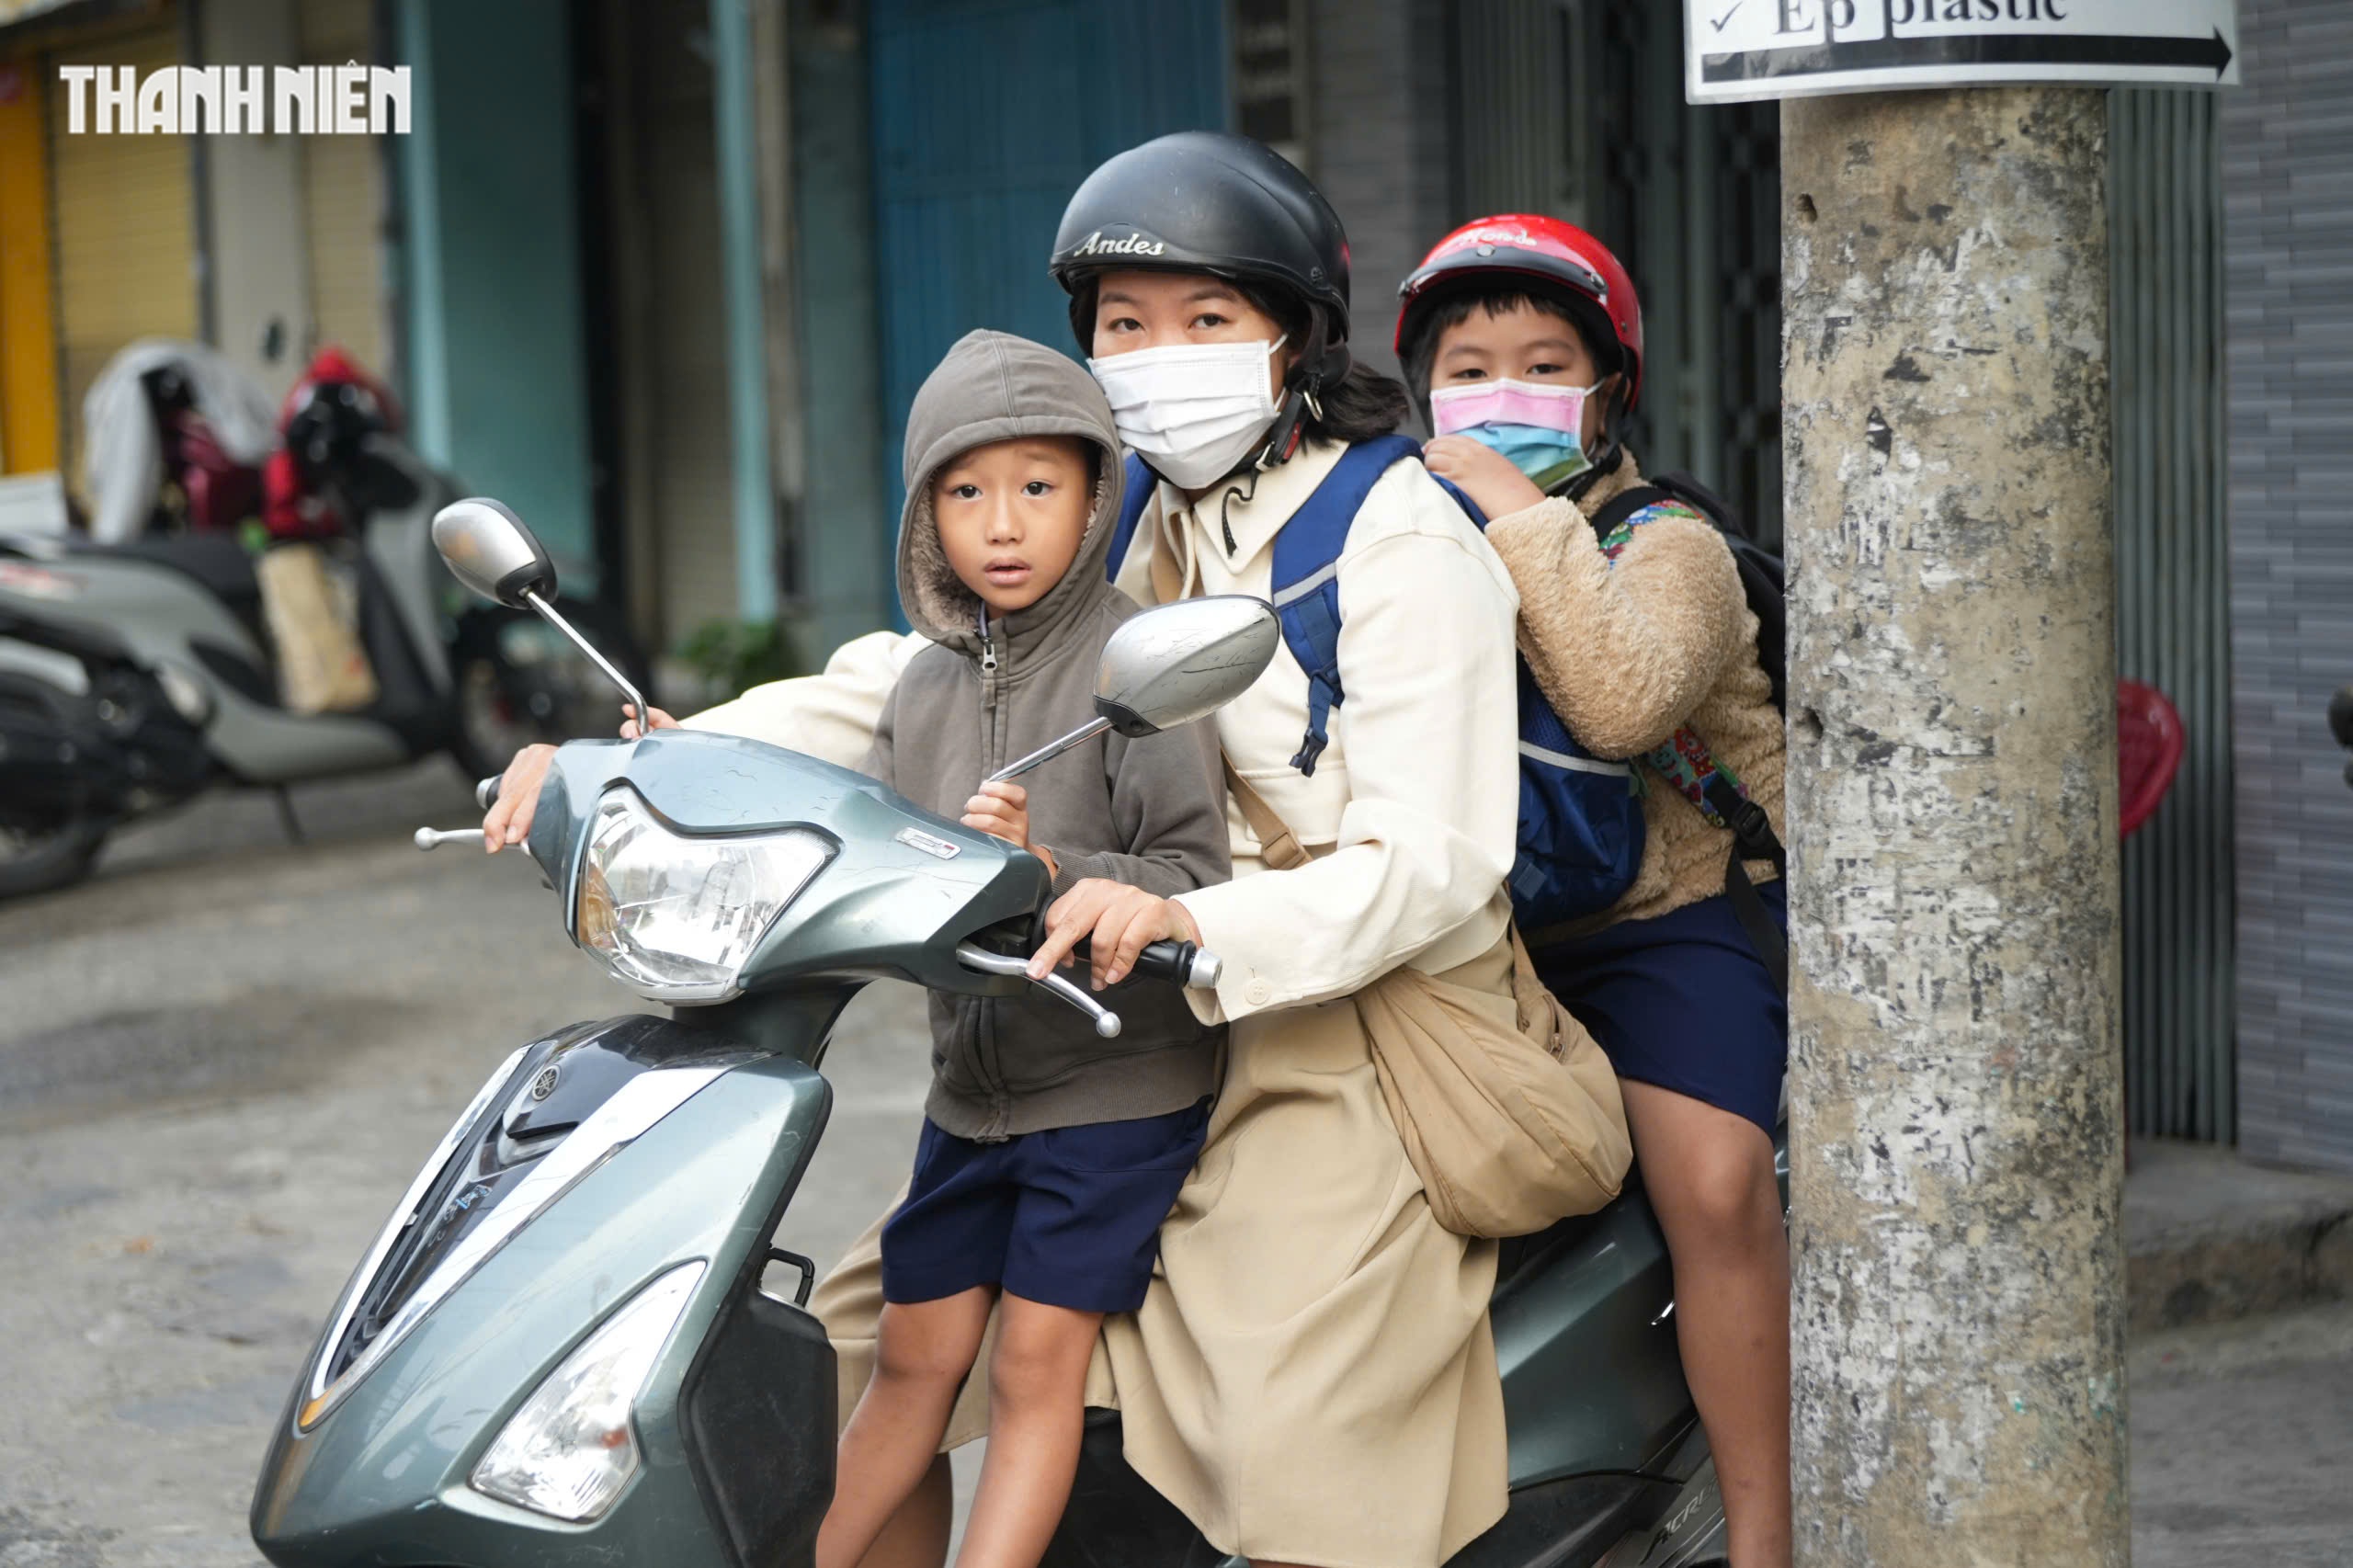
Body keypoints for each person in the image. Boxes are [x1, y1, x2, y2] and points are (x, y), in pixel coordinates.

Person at [484, 131, 1534, 1568]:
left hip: (1344, 1022)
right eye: (1126, 326)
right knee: (836, 1365)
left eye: (1207, 320)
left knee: (1279, 1424)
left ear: (1292, 335)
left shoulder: (1399, 538)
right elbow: (904, 682)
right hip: (1088, 1003)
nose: (1162, 354)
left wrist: (1190, 929)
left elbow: (1437, 857)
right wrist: (639, 754)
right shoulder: (1129, 506)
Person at [1401, 214, 1792, 1568]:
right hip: (1479, 936)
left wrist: (1518, 513)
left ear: (1607, 388)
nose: (1499, 391)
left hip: (1663, 924)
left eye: (1540, 360)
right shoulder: (1400, 536)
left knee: (1721, 1183)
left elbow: (1625, 698)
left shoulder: (1663, 540)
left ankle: (1763, 1535)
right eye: (1468, 364)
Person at [812, 329, 1230, 1568]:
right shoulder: (923, 687)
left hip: (1112, 1089)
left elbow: (1192, 880)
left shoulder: (1138, 665)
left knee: (1039, 1363)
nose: (1002, 524)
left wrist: (1048, 866)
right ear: (923, 511)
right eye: (966, 491)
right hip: (973, 1093)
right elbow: (885, 852)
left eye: (1038, 486)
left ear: (1095, 495)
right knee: (913, 1353)